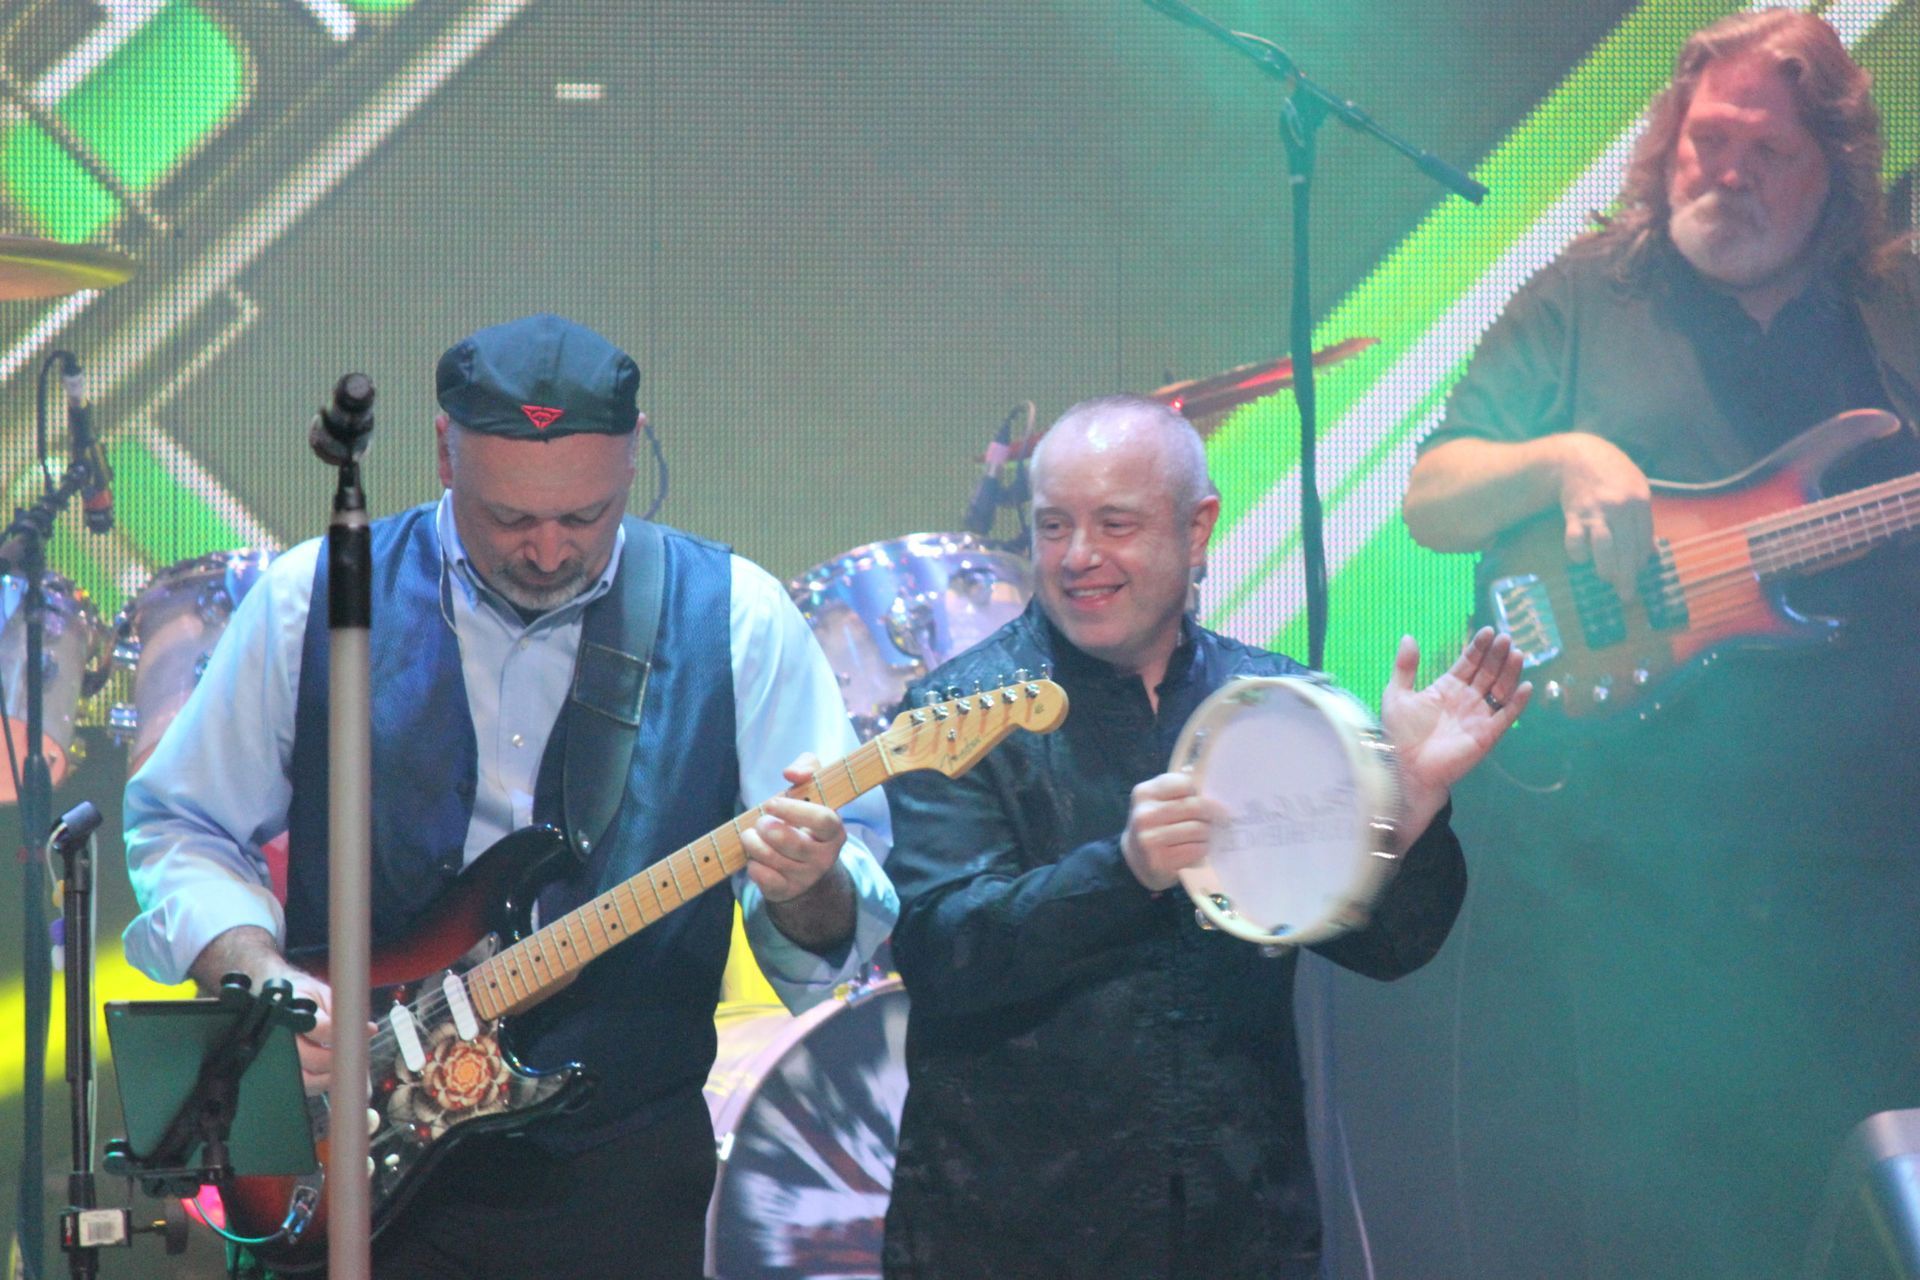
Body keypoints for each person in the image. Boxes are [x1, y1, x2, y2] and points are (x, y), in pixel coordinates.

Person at [121, 313, 898, 1278]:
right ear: (445, 453)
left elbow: (838, 921)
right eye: (509, 519)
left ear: (633, 456)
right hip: (350, 1164)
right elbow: (180, 823)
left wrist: (807, 884)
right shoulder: (314, 595)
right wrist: (260, 976)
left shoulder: (737, 617)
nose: (545, 551)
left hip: (618, 1177)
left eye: (583, 519)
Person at [1403, 11, 1920, 1277]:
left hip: (1862, 869)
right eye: (1705, 139)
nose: (1725, 172)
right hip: (1632, 878)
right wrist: (1566, 453)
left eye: (1766, 152)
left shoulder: (1895, 307)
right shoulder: (1596, 287)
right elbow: (1433, 496)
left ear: (1835, 172)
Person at [877, 393, 1529, 1279]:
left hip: (1238, 1224)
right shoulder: (957, 714)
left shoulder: (1278, 707)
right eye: (1053, 526)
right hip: (1011, 1229)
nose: (1078, 559)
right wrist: (1124, 870)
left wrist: (1405, 811)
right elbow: (943, 953)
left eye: (1115, 524)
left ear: (1198, 527)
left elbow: (1391, 948)